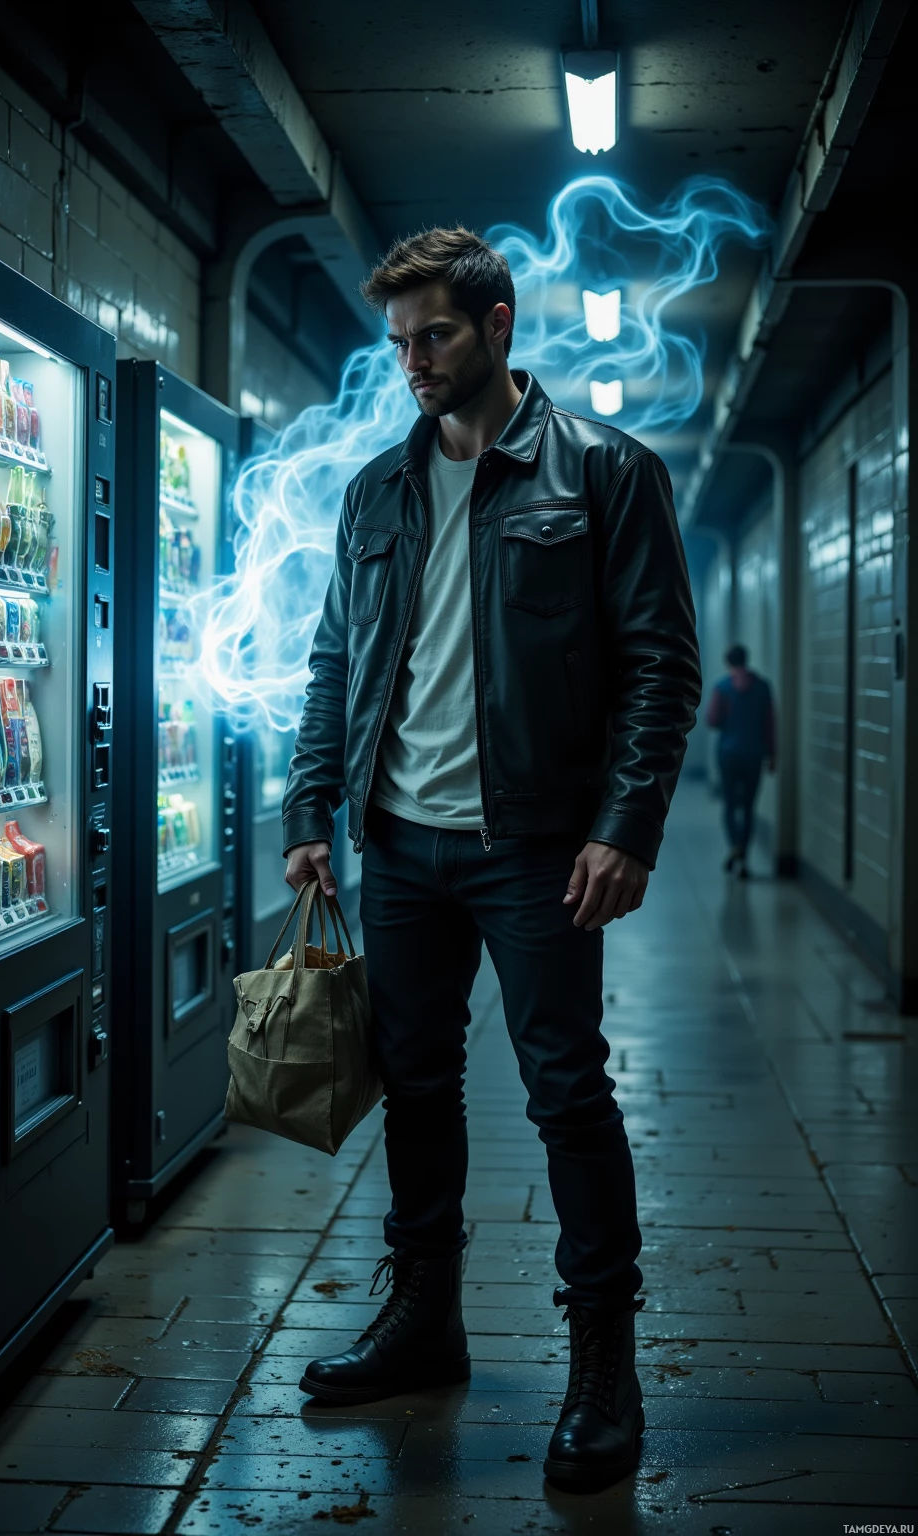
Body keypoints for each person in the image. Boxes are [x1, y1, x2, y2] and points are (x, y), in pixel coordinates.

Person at [281, 227, 701, 1492]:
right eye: (399, 340)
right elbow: (334, 668)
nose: (412, 362)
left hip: (533, 848)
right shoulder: (376, 493)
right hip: (401, 845)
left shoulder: (605, 474)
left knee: (565, 1091)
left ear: (500, 325)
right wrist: (313, 809)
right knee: (414, 1088)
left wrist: (622, 828)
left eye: (436, 336)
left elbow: (658, 666)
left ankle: (603, 1367)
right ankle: (426, 1322)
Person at [705, 643, 777, 877]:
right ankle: (744, 856)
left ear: (728, 662)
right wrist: (773, 755)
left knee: (729, 803)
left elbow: (712, 720)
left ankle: (734, 845)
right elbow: (770, 725)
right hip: (754, 754)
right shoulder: (763, 687)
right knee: (748, 806)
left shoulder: (722, 687)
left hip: (728, 754)